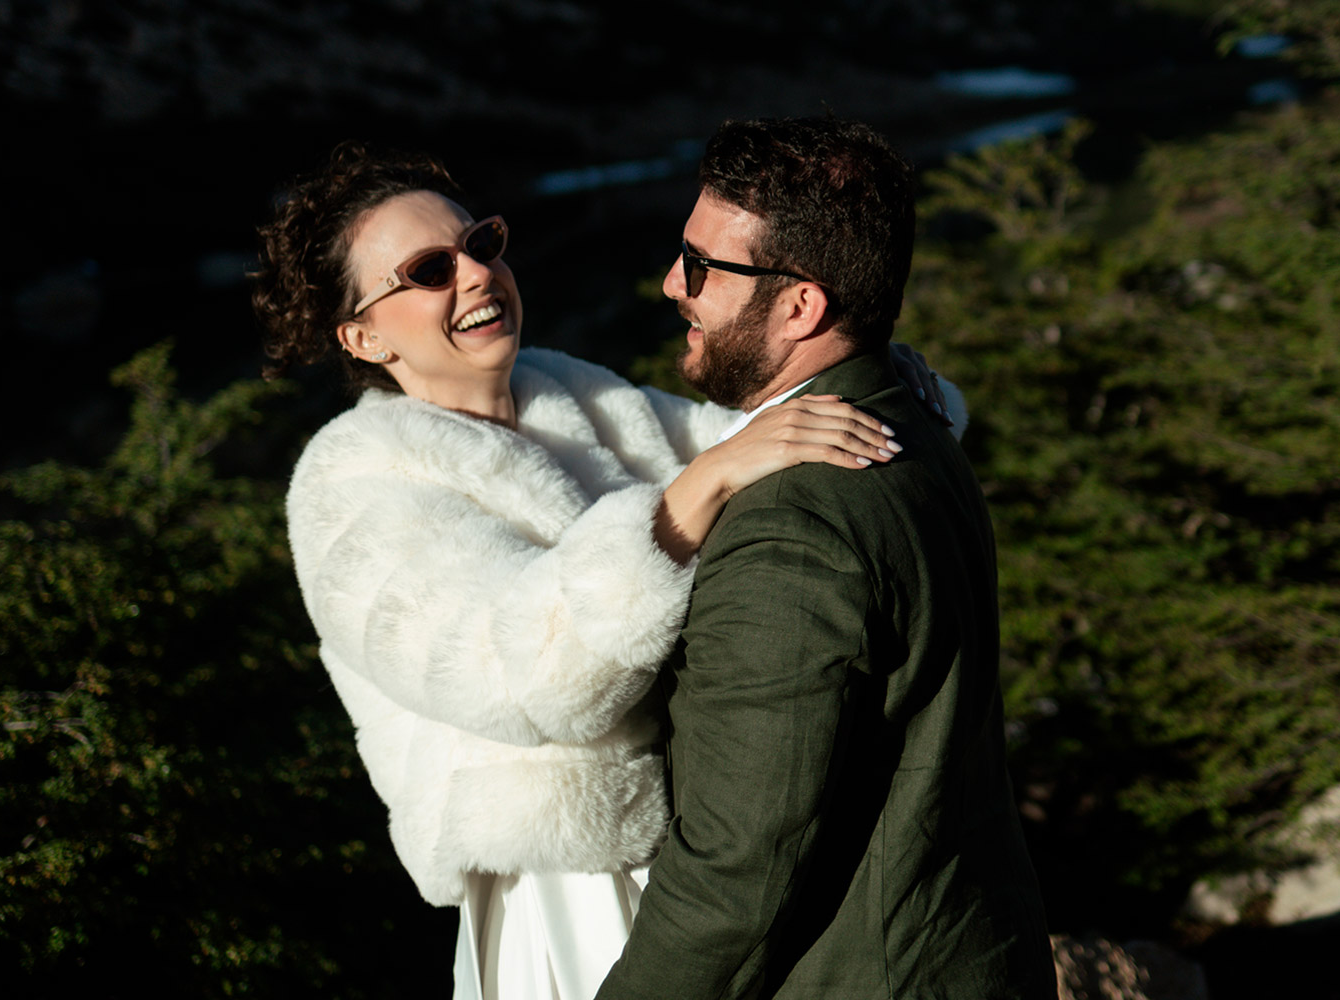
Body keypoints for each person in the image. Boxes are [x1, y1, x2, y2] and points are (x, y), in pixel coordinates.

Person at [253, 142, 948, 1000]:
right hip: (565, 886)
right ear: (361, 335)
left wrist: (869, 389)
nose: (474, 276)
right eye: (429, 270)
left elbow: (760, 446)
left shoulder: (560, 389)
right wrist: (695, 490)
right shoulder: (352, 483)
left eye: (482, 244)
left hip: (696, 844)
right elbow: (525, 680)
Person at [595, 117, 1055, 1000]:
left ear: (800, 305)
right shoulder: (910, 420)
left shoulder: (790, 527)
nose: (670, 284)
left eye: (700, 266)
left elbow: (737, 866)